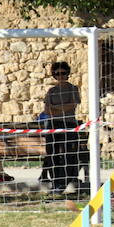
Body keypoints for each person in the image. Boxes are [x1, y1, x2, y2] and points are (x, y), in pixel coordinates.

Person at [43, 62, 82, 195]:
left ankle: (65, 181)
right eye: (57, 74)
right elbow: (47, 110)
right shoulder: (51, 91)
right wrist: (61, 108)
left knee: (67, 154)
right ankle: (55, 182)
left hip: (69, 124)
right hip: (53, 125)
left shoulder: (73, 89)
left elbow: (72, 106)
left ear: (67, 74)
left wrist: (56, 108)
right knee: (52, 153)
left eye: (63, 73)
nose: (61, 76)